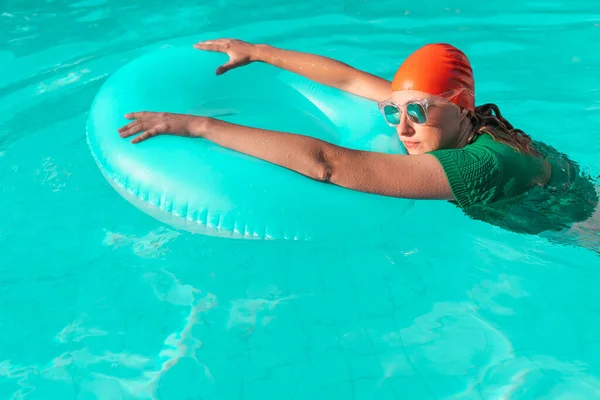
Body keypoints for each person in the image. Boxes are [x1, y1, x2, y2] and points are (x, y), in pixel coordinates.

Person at [118, 39, 599, 244]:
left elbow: (330, 164)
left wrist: (199, 126)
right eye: (393, 110)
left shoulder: (480, 164)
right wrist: (259, 52)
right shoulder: (452, 117)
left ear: (461, 106)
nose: (402, 128)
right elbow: (348, 82)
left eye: (416, 112)